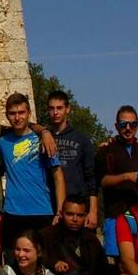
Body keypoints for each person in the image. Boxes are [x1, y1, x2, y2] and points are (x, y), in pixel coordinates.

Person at [0, 94, 66, 249]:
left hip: (41, 211)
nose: (17, 118)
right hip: (13, 213)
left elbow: (58, 176)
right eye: (12, 114)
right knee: (13, 265)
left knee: (45, 262)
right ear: (7, 115)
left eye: (21, 113)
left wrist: (60, 210)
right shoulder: (2, 142)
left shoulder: (43, 139)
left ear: (29, 113)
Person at [96, 107, 138, 259]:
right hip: (116, 214)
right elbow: (103, 181)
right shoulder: (106, 150)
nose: (128, 128)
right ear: (117, 126)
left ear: (137, 125)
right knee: (119, 262)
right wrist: (126, 177)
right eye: (123, 124)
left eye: (132, 124)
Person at [46, 91, 99, 230]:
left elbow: (92, 178)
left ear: (68, 109)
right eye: (51, 109)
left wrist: (93, 211)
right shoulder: (44, 138)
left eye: (59, 108)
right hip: (50, 207)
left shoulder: (82, 140)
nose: (55, 112)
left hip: (77, 208)